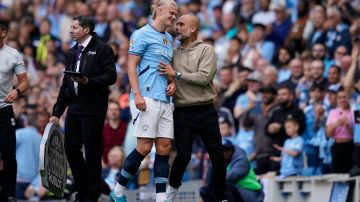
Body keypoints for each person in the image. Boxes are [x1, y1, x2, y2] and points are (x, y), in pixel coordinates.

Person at [110, 1, 178, 202]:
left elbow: (165, 69)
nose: (174, 17)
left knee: (165, 146)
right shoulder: (140, 34)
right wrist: (137, 94)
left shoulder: (168, 38)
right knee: (145, 147)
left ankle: (160, 198)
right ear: (158, 10)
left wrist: (172, 81)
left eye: (176, 14)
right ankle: (118, 190)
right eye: (171, 12)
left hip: (165, 98)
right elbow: (131, 66)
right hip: (145, 97)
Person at [159, 14, 227, 202]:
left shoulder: (207, 50)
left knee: (217, 156)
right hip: (182, 111)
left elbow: (204, 78)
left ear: (193, 28)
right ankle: (171, 192)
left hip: (205, 110)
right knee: (183, 156)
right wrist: (171, 81)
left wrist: (177, 74)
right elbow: (169, 76)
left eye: (181, 24)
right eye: (177, 24)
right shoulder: (172, 52)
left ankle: (221, 197)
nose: (177, 27)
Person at [49, 16, 117, 202]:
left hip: (93, 108)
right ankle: (83, 188)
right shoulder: (72, 52)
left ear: (86, 29)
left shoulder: (103, 48)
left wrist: (90, 81)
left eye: (74, 27)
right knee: (71, 149)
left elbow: (111, 76)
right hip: (74, 107)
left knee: (93, 152)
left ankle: (91, 195)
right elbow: (65, 85)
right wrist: (56, 112)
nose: (71, 31)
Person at [0, 19, 29, 202]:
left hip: (4, 109)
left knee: (8, 151)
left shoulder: (13, 54)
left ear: (3, 33)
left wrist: (16, 91)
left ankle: (10, 194)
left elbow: (25, 82)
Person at [15, 113, 42, 199]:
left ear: (25, 122)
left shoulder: (19, 133)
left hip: (17, 179)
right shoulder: (41, 138)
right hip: (32, 183)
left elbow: (6, 150)